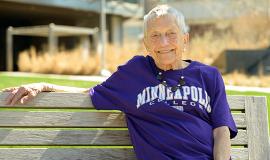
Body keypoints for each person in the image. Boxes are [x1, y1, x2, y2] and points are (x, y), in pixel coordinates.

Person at [3, 5, 237, 160]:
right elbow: (89, 92)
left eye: (171, 33)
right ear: (146, 44)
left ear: (184, 39)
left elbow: (221, 132)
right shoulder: (134, 72)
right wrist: (44, 86)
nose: (164, 42)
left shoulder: (209, 76)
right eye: (155, 35)